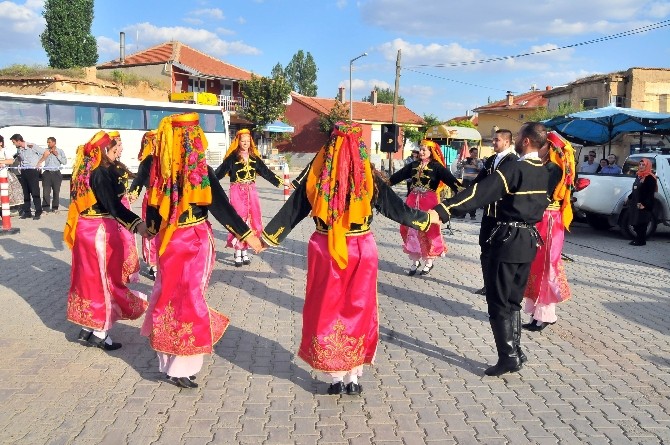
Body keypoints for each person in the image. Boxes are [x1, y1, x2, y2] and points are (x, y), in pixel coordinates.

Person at [261, 122, 436, 396]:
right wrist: (427, 218)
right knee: (358, 309)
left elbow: (293, 209)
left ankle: (335, 377)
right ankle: (353, 376)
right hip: (360, 248)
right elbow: (396, 209)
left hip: (325, 247)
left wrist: (268, 237)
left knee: (326, 309)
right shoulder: (367, 176)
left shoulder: (318, 174)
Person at [141, 113, 262, 389]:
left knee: (170, 295)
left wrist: (149, 228)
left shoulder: (160, 171)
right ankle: (179, 362)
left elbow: (152, 209)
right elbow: (220, 206)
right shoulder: (197, 172)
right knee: (188, 297)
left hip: (170, 240)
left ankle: (174, 361)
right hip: (193, 239)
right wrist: (249, 236)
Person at [429, 122, 550, 377]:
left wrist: (444, 210)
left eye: (518, 136)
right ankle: (515, 350)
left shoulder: (515, 168)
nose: (516, 139)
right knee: (513, 300)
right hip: (528, 241)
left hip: (508, 240)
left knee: (498, 301)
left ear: (526, 141)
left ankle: (508, 357)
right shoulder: (544, 170)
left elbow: (480, 193)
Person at [63, 131, 150, 351]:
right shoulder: (100, 173)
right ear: (103, 150)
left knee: (89, 279)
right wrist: (137, 223)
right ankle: (100, 332)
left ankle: (88, 326)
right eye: (113, 147)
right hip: (99, 230)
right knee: (106, 280)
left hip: (86, 228)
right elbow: (113, 205)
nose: (117, 151)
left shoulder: (84, 171)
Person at [522, 132, 575, 332]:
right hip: (540, 219)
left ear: (550, 148)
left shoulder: (553, 168)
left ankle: (545, 315)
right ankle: (538, 314)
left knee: (546, 266)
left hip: (549, 220)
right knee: (535, 265)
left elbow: (542, 196)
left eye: (541, 145)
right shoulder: (543, 166)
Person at [388, 139, 460, 276]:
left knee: (428, 229)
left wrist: (463, 192)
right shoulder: (413, 165)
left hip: (429, 202)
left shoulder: (437, 167)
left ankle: (429, 261)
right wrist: (385, 184)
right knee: (409, 228)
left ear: (431, 152)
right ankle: (415, 261)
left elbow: (451, 180)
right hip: (412, 200)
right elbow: (398, 176)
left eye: (424, 150)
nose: (420, 152)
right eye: (420, 149)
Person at [215, 129, 283, 267]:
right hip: (237, 191)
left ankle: (244, 250)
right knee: (238, 219)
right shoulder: (232, 158)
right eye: (242, 141)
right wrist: (207, 181)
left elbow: (266, 172)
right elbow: (219, 172)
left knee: (251, 220)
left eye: (247, 141)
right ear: (238, 142)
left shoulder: (254, 157)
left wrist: (281, 182)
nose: (245, 143)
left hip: (251, 191)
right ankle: (237, 251)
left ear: (250, 142)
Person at [471, 129, 518, 296]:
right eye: (493, 140)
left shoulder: (513, 161)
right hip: (489, 213)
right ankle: (487, 284)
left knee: (500, 252)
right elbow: (480, 181)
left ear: (507, 142)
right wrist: (464, 191)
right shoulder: (491, 160)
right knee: (485, 248)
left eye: (496, 140)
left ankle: (499, 287)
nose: (493, 143)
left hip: (503, 215)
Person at [107, 130, 141, 284]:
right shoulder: (104, 169)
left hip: (125, 207)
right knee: (118, 242)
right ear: (111, 146)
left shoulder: (119, 165)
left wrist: (132, 193)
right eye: (119, 145)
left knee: (128, 240)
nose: (122, 148)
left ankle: (126, 274)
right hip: (114, 211)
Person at [128, 130, 159, 280]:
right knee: (151, 230)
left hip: (166, 200)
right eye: (154, 140)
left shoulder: (168, 158)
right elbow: (138, 181)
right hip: (151, 199)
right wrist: (131, 194)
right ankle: (153, 265)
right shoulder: (147, 162)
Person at [10, 134, 48, 220]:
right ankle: (27, 212)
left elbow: (46, 152)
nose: (14, 144)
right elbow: (20, 159)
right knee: (25, 192)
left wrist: (40, 162)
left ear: (18, 141)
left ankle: (38, 212)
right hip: (24, 171)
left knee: (35, 192)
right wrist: (20, 165)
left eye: (14, 142)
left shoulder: (32, 146)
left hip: (32, 171)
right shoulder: (19, 149)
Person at [626, 158, 657, 246]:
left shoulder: (650, 177)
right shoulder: (639, 176)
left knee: (641, 223)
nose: (641, 166)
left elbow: (649, 193)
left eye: (643, 165)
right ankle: (638, 239)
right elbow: (636, 189)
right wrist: (629, 198)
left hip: (644, 203)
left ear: (648, 166)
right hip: (636, 202)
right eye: (640, 164)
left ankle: (641, 241)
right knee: (634, 222)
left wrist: (644, 204)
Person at [40, 136, 67, 213]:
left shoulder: (60, 151)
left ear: (54, 142)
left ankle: (55, 208)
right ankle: (45, 208)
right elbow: (40, 158)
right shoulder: (45, 151)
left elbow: (65, 162)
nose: (48, 144)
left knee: (56, 191)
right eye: (47, 142)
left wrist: (57, 155)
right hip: (47, 173)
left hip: (56, 173)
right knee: (46, 192)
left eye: (49, 142)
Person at [458, 147, 484, 219]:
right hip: (466, 180)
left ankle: (472, 215)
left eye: (476, 153)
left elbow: (481, 169)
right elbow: (458, 166)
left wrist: (475, 164)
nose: (475, 154)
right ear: (470, 153)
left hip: (474, 181)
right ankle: (462, 214)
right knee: (464, 197)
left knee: (473, 197)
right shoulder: (466, 160)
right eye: (474, 153)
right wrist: (462, 162)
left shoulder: (479, 161)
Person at [0, 135, 24, 211]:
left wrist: (1, 161)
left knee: (7, 194)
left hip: (4, 174)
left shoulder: (4, 151)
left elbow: (11, 161)